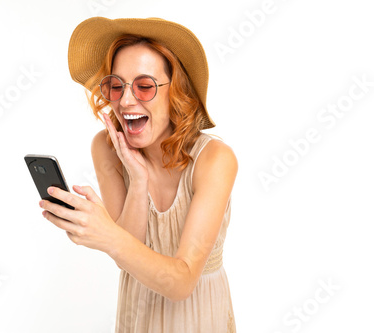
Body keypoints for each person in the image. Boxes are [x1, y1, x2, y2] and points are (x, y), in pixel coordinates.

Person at [39, 17, 238, 332]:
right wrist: (138, 179)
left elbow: (182, 283)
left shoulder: (215, 159)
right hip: (137, 314)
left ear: (177, 92)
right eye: (116, 86)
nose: (126, 100)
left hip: (198, 316)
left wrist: (106, 233)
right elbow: (127, 257)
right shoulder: (108, 148)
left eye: (144, 86)